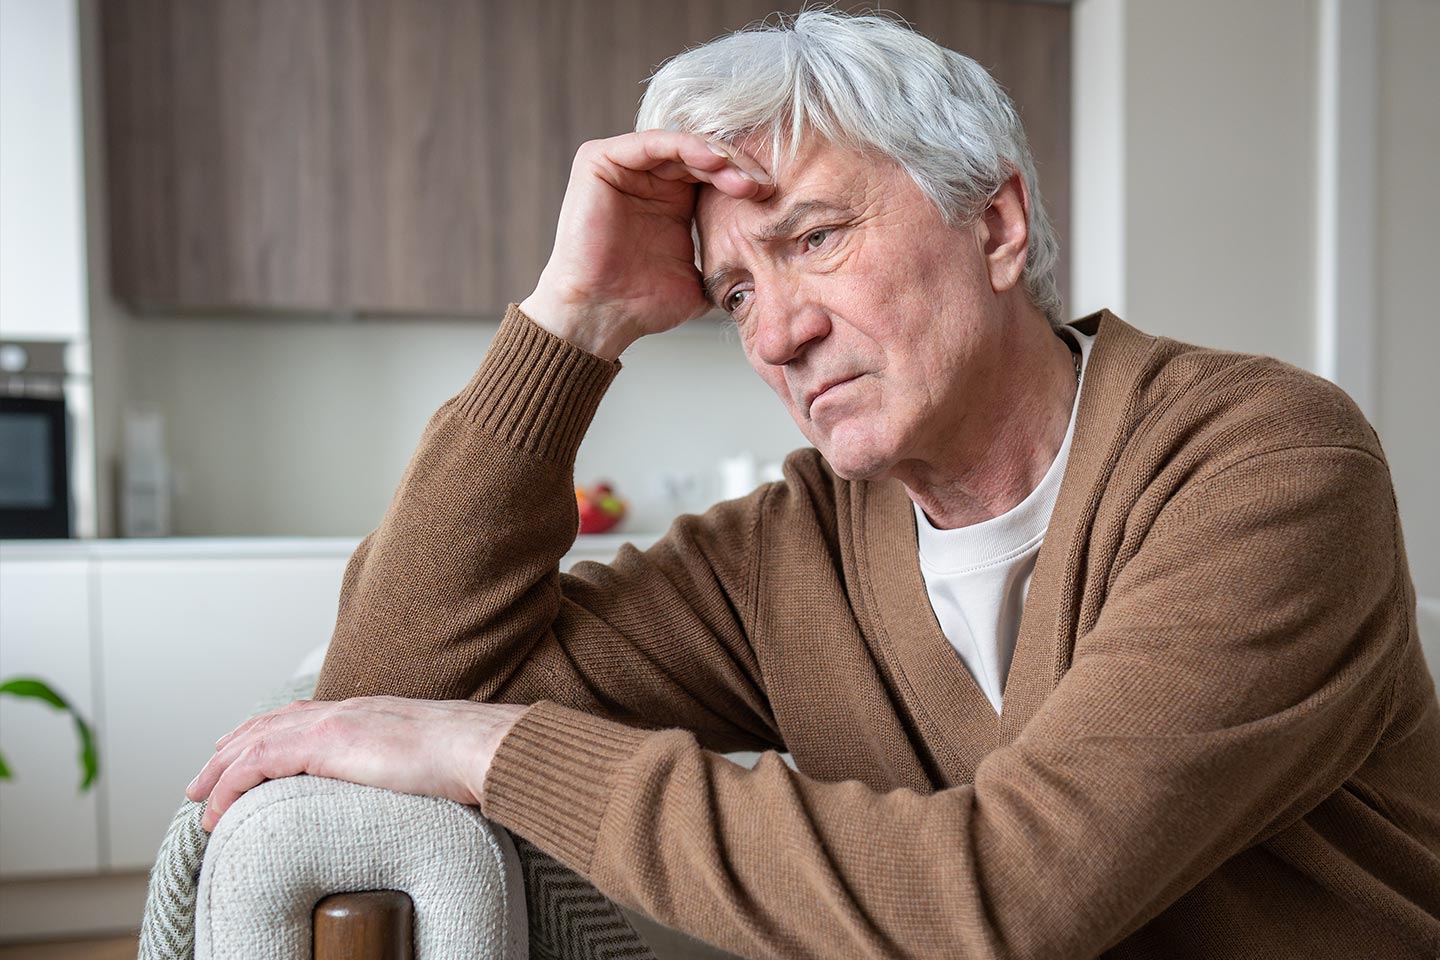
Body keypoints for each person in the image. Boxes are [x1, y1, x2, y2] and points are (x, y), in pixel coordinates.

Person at [185, 10, 1440, 958]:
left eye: (815, 240)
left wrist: (497, 749)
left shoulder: (1267, 463)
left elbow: (1014, 899)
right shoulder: (792, 551)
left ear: (996, 226)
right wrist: (570, 322)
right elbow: (382, 695)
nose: (774, 336)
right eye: (735, 290)